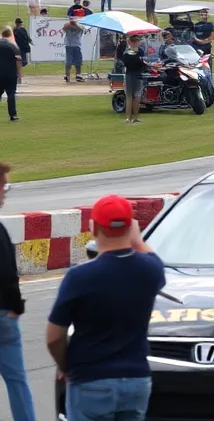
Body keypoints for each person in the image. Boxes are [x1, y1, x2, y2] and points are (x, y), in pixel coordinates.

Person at [46, 194, 165, 421]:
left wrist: (65, 365)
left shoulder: (80, 276)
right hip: (136, 378)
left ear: (94, 228)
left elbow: (54, 337)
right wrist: (137, 239)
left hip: (91, 378)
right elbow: (146, 252)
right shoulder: (151, 270)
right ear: (131, 226)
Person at [0, 164, 34, 421]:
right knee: (17, 380)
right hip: (3, 314)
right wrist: (17, 306)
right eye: (4, 186)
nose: (6, 192)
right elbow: (7, 274)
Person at [120, 35, 147, 124]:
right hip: (133, 74)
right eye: (134, 41)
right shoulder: (132, 52)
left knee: (135, 97)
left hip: (134, 74)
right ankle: (130, 117)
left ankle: (133, 116)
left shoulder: (136, 51)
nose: (135, 43)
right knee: (132, 97)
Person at [0, 29, 20, 122]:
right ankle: (13, 115)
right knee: (11, 94)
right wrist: (19, 74)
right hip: (10, 73)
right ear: (10, 35)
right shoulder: (13, 46)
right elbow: (18, 61)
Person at [63, 14, 85, 84]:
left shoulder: (79, 27)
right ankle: (67, 75)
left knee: (78, 62)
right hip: (69, 46)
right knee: (68, 62)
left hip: (77, 45)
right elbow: (65, 27)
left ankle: (78, 75)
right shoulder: (68, 27)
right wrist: (71, 22)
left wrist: (76, 24)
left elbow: (82, 29)